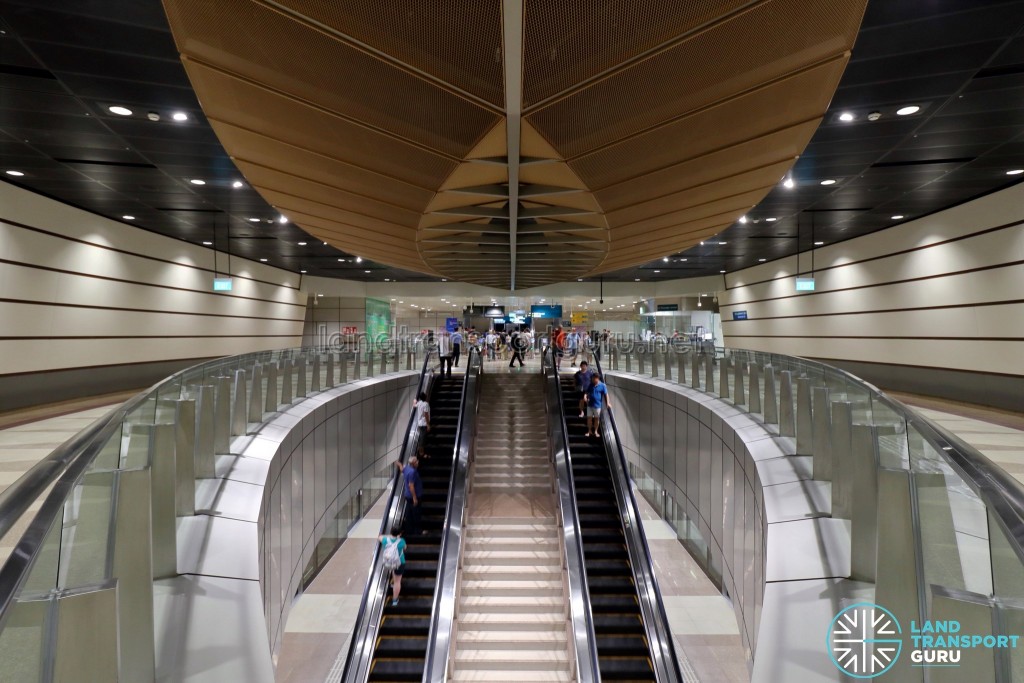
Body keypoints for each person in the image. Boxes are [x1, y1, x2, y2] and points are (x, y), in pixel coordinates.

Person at [379, 526, 406, 606]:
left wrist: (390, 536)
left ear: (391, 532)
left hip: (389, 562)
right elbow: (405, 548)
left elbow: (379, 536)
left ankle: (393, 584)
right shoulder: (401, 541)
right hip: (399, 563)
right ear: (400, 534)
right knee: (398, 581)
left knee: (393, 571)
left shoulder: (385, 540)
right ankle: (395, 600)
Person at [396, 456, 424, 535]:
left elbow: (402, 470)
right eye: (416, 461)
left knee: (409, 513)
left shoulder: (407, 468)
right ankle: (417, 531)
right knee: (416, 513)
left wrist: (399, 464)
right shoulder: (412, 472)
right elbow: (411, 485)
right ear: (412, 463)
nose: (418, 462)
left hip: (407, 495)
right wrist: (415, 498)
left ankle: (409, 530)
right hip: (414, 496)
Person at [584, 372, 610, 438]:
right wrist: (585, 396)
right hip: (590, 405)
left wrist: (608, 403)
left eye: (594, 378)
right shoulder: (591, 384)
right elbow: (587, 392)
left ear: (597, 378)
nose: (593, 380)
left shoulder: (603, 385)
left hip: (597, 405)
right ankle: (589, 431)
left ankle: (596, 431)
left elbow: (606, 394)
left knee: (596, 419)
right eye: (592, 378)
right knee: (589, 418)